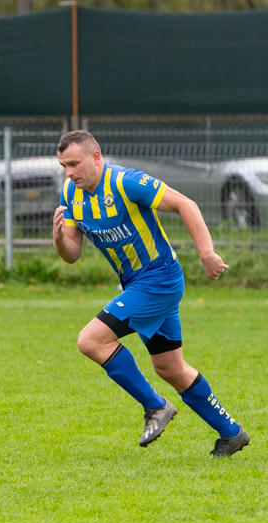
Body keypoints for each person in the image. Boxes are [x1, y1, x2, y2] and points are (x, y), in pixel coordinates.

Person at [53, 130, 249, 456]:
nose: (69, 172)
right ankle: (231, 434)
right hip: (137, 285)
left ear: (96, 157)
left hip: (159, 280)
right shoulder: (70, 194)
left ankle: (156, 406)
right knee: (170, 368)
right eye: (63, 165)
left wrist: (207, 254)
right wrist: (59, 237)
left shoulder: (126, 183)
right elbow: (72, 253)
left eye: (74, 163)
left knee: (91, 340)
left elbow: (186, 204)